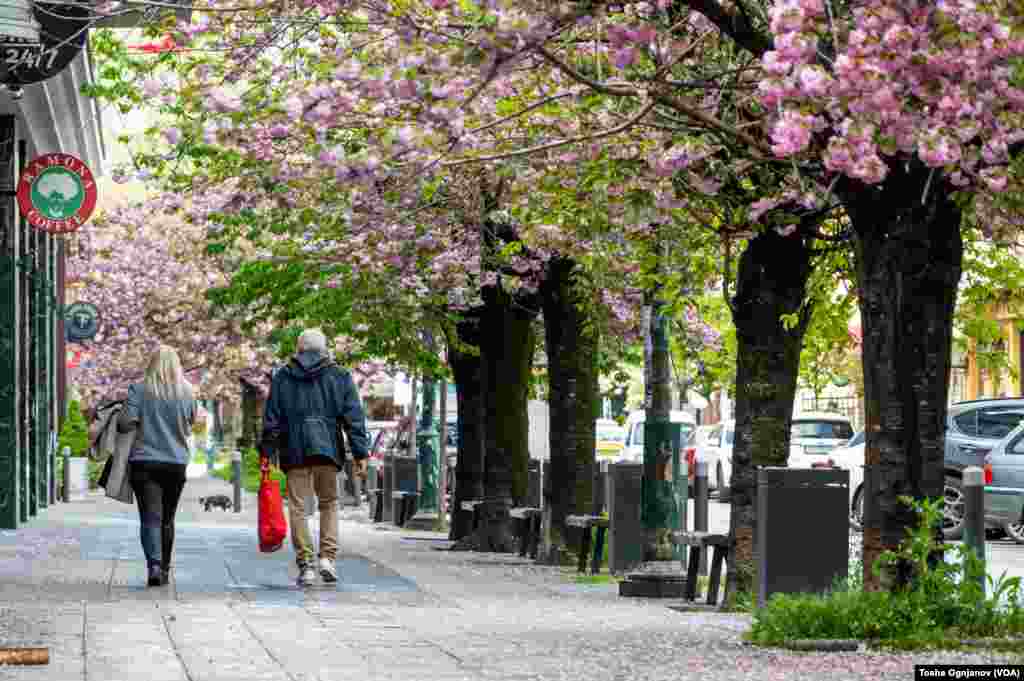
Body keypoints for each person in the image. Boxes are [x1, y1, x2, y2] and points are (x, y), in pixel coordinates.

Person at [262, 328, 370, 587]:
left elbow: (272, 419)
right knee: (329, 503)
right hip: (327, 448)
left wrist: (266, 451)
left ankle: (306, 565)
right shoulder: (340, 376)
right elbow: (353, 417)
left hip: (295, 449)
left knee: (299, 507)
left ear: (298, 348)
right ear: (324, 349)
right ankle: (327, 559)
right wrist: (360, 453)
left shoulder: (283, 377)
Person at [118, 345, 199, 587]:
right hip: (175, 462)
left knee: (150, 518)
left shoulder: (139, 390)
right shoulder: (186, 391)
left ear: (151, 364)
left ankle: (153, 565)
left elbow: (124, 423)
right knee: (167, 519)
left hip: (144, 461)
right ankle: (164, 568)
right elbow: (192, 421)